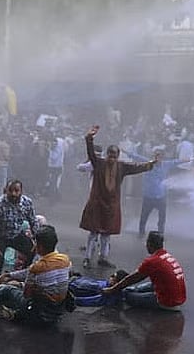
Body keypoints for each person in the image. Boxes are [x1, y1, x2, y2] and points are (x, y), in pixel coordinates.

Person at [78, 125, 157, 270]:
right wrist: (89, 138)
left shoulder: (122, 167)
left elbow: (136, 167)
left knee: (106, 235)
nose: (112, 159)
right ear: (107, 154)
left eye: (115, 156)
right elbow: (90, 152)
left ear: (118, 156)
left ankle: (103, 257)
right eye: (110, 155)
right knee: (93, 233)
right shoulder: (98, 163)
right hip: (97, 203)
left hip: (111, 205)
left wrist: (150, 164)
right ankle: (88, 258)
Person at [0, 225, 71, 325]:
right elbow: (29, 272)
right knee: (8, 289)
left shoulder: (37, 267)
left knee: (6, 290)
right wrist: (9, 275)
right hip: (56, 310)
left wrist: (18, 284)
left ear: (40, 246)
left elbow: (26, 294)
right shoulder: (65, 260)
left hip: (38, 311)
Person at [103, 232, 187, 310]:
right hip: (178, 298)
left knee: (126, 295)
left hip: (167, 302)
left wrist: (112, 289)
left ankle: (127, 292)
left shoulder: (152, 261)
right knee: (142, 287)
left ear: (150, 244)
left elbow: (132, 279)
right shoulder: (167, 256)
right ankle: (132, 290)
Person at [0, 179, 38, 277]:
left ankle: (23, 275)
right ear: (6, 191)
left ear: (21, 191)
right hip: (0, 236)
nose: (13, 194)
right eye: (10, 190)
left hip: (16, 234)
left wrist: (36, 240)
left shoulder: (27, 203)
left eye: (16, 191)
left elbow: (33, 221)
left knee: (32, 251)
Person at [138, 145, 187, 237]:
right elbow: (136, 156)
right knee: (144, 216)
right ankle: (141, 232)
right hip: (148, 196)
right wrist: (125, 152)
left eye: (160, 156)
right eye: (156, 156)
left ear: (162, 157)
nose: (158, 158)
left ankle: (161, 233)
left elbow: (177, 162)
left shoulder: (166, 164)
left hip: (160, 197)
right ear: (154, 157)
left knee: (162, 218)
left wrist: (191, 159)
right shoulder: (148, 163)